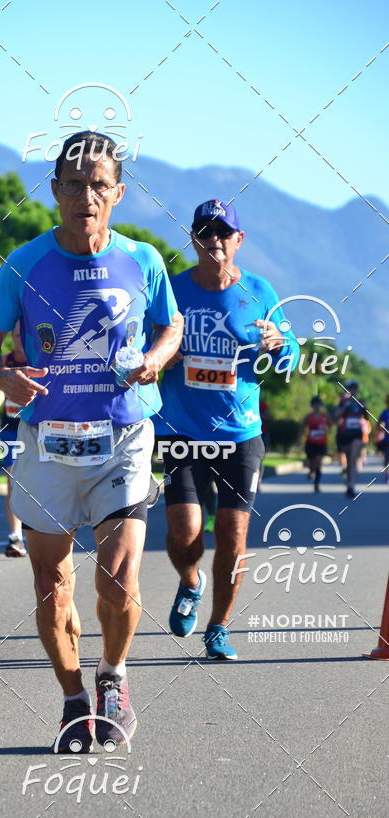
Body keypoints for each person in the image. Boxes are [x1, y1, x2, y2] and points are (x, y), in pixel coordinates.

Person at [0, 131, 182, 752]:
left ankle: (113, 678)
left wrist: (156, 358)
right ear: (55, 191)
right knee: (50, 583)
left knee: (118, 576)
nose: (85, 196)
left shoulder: (144, 261)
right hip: (46, 442)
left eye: (98, 185)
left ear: (117, 193)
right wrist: (1, 374)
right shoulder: (23, 264)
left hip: (123, 436)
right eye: (72, 184)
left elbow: (170, 327)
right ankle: (71, 700)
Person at [154, 199, 299, 660]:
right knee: (184, 530)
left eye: (223, 233)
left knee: (234, 535)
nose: (213, 241)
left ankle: (218, 628)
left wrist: (281, 344)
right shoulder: (172, 291)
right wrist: (163, 356)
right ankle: (190, 582)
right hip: (181, 429)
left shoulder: (259, 291)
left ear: (239, 240)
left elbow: (288, 348)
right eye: (204, 233)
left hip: (240, 433)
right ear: (194, 239)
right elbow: (145, 343)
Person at [0, 323, 28, 557]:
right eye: (16, 335)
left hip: (36, 428)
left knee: (39, 480)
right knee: (13, 481)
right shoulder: (7, 360)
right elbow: (0, 388)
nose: (19, 339)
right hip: (12, 429)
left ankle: (42, 531)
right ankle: (15, 538)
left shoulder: (37, 359)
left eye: (23, 335)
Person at [334, 380, 368, 498]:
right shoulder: (343, 402)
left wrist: (364, 407)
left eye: (354, 388)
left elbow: (367, 417)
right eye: (350, 388)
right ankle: (349, 484)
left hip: (356, 435)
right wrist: (345, 406)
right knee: (349, 461)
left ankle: (351, 486)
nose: (352, 390)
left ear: (357, 390)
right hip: (345, 435)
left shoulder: (361, 402)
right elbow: (336, 416)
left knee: (353, 460)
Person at [301, 396, 329, 492]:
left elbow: (331, 424)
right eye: (314, 404)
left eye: (318, 404)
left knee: (318, 462)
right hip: (311, 442)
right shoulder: (308, 417)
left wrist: (327, 431)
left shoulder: (325, 416)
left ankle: (316, 484)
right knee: (312, 462)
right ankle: (311, 471)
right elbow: (302, 427)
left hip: (322, 443)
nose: (316, 406)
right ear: (312, 405)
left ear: (320, 405)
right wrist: (299, 439)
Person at [375, 395, 389, 483]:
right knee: (387, 459)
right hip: (387, 440)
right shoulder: (385, 412)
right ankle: (387, 474)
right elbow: (380, 425)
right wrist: (382, 427)